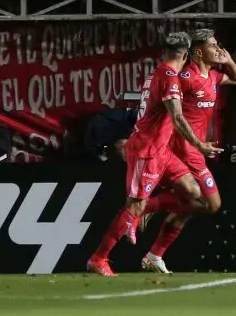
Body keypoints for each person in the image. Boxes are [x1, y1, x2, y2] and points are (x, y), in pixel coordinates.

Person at [86, 32, 222, 277]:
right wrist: (200, 146)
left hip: (163, 151)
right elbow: (178, 118)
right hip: (147, 150)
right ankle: (99, 258)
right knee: (134, 207)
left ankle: (149, 210)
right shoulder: (169, 78)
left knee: (194, 194)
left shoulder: (160, 72)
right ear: (185, 53)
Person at [136, 28, 236, 273]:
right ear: (197, 51)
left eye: (218, 44)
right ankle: (150, 206)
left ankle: (154, 254)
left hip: (197, 149)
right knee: (209, 204)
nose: (217, 49)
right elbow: (170, 109)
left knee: (192, 207)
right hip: (184, 148)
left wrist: (230, 61)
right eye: (212, 45)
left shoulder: (213, 76)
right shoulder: (185, 77)